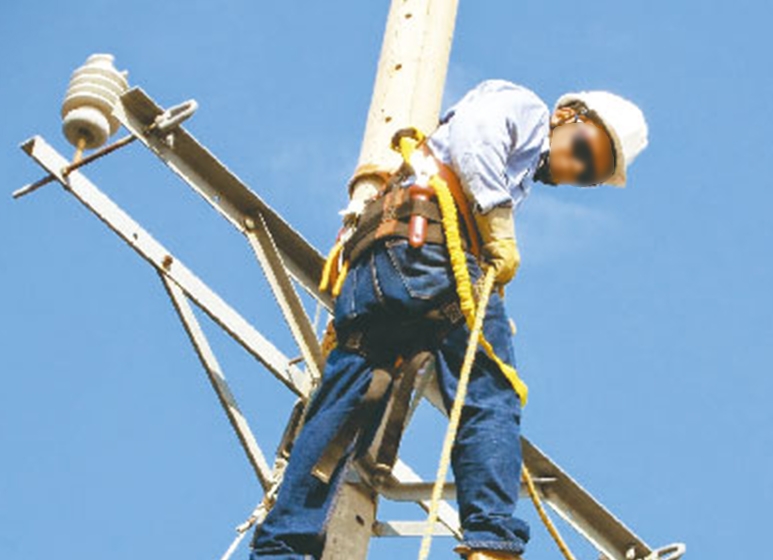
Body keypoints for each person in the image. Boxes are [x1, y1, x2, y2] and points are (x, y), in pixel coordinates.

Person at [249, 79, 649, 560]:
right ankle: (492, 536)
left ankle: (281, 549)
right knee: (490, 388)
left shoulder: (514, 172)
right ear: (568, 116)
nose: (573, 169)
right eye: (583, 151)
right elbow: (477, 136)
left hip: (377, 272)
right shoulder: (522, 108)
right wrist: (498, 228)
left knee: (350, 405)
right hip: (427, 254)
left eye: (588, 175)